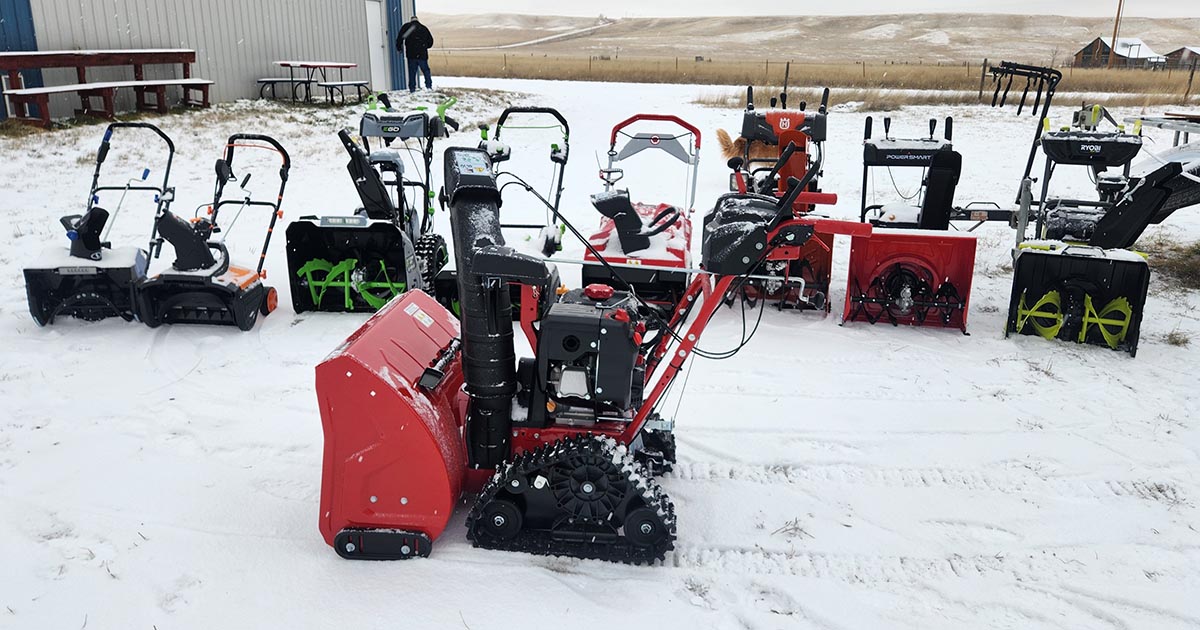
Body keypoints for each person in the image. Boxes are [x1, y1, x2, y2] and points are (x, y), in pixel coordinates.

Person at [397, 15, 434, 92]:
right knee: (426, 70)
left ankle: (412, 89)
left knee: (412, 72)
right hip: (422, 54)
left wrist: (399, 48)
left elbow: (400, 38)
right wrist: (424, 47)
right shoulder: (424, 28)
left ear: (411, 20)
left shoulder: (406, 27)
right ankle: (429, 86)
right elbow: (430, 41)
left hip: (411, 54)